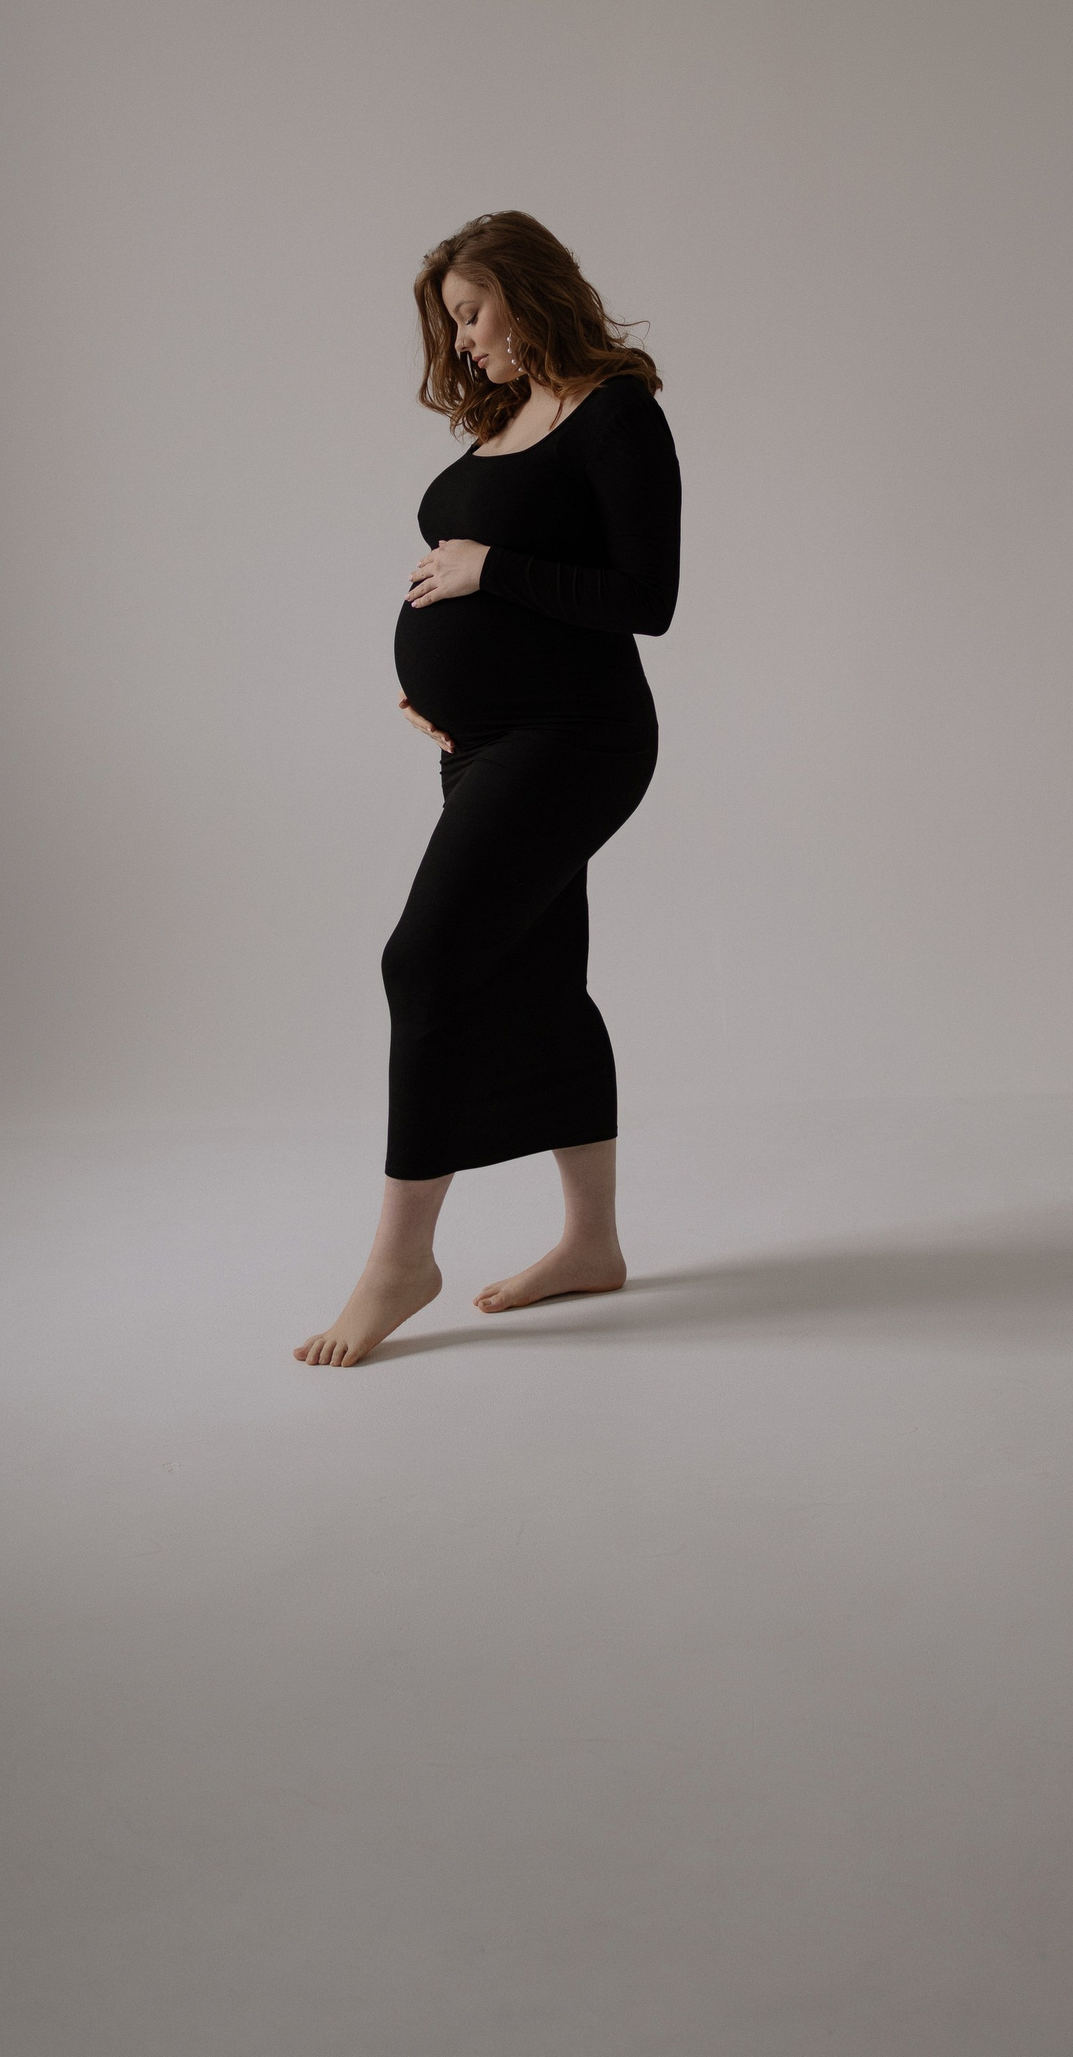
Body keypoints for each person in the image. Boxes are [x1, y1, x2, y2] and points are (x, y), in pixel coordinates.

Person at [294, 209, 681, 1367]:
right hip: (483, 743)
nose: (461, 341)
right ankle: (592, 1245)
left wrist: (490, 569)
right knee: (539, 979)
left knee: (424, 963)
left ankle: (399, 1261)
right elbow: (467, 592)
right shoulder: (506, 420)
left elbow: (647, 597)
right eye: (451, 325)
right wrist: (434, 689)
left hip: (579, 737)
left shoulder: (616, 413)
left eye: (470, 313)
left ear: (527, 291)